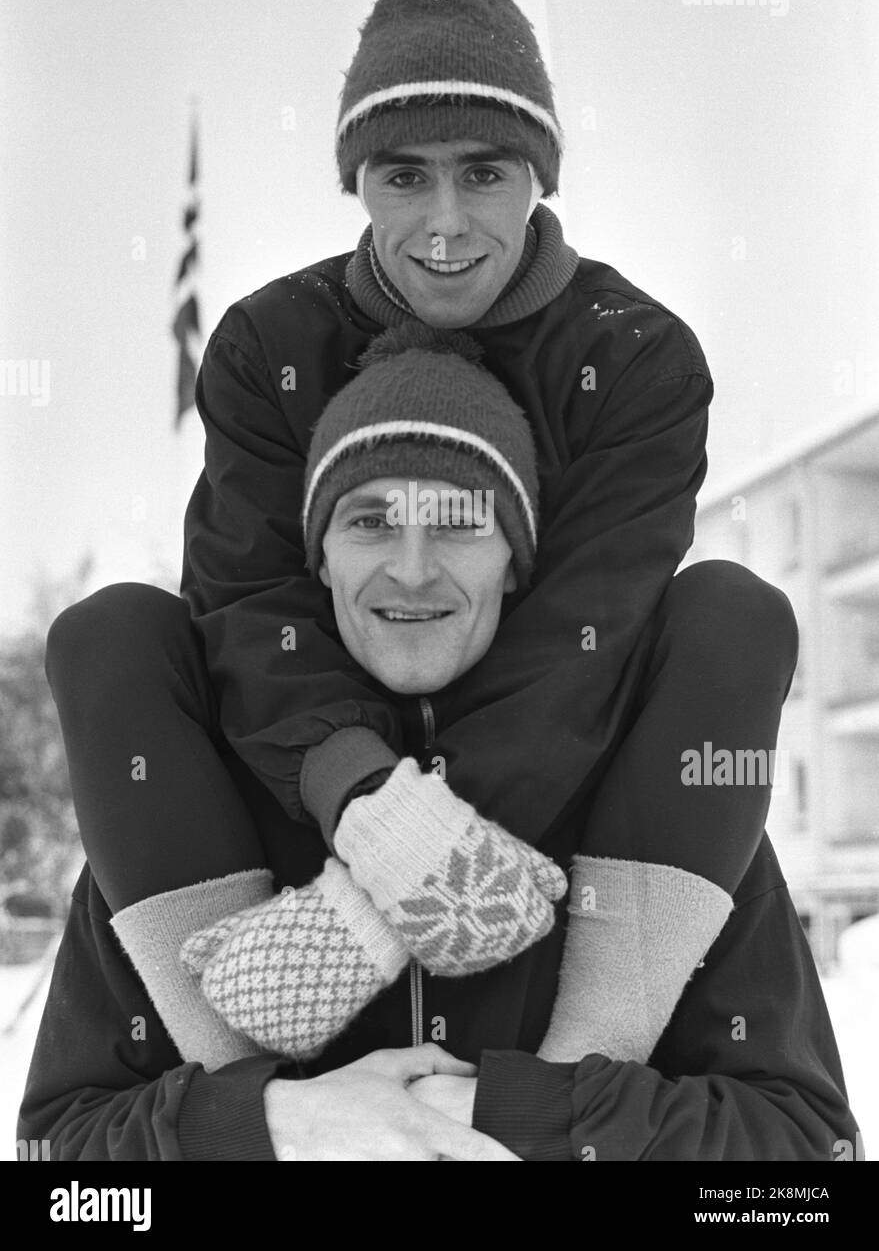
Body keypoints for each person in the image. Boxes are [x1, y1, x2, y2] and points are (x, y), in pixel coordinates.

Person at [18, 0, 860, 1159]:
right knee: (113, 632)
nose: (447, 222)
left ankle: (581, 1030)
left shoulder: (632, 365)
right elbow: (244, 602)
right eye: (404, 175)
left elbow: (600, 616)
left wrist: (541, 1110)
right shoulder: (269, 353)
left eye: (487, 172)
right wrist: (272, 1120)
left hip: (562, 789)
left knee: (734, 612)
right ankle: (251, 1033)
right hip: (300, 814)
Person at [20, 326, 858, 1160]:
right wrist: (273, 1122)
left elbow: (799, 1175)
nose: (412, 568)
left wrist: (530, 1116)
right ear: (320, 559)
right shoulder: (180, 788)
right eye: (369, 521)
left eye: (458, 523)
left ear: (516, 562)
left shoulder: (664, 787)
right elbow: (62, 1178)